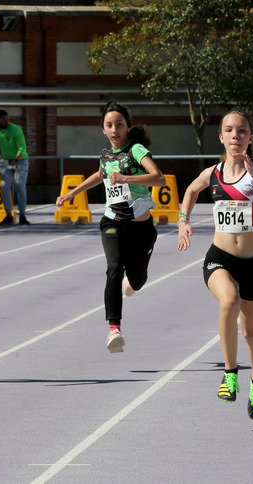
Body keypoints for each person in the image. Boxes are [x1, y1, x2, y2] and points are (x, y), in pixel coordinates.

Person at [177, 108, 253, 420]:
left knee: (252, 333)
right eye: (230, 131)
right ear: (221, 137)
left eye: (243, 131)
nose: (236, 136)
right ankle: (230, 372)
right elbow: (191, 190)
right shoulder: (214, 173)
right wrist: (183, 220)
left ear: (249, 137)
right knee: (229, 301)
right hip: (220, 258)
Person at [55, 101, 164, 353]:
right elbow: (99, 175)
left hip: (141, 227)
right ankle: (114, 329)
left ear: (127, 126)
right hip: (112, 221)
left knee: (137, 280)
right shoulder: (105, 156)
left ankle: (132, 284)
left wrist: (126, 177)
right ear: (103, 129)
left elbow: (158, 178)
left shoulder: (136, 150)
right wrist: (72, 193)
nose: (114, 129)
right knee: (114, 267)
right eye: (109, 125)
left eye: (119, 124)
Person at [0, 109, 29, 225]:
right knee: (4, 187)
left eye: (7, 119)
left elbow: (22, 148)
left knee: (20, 186)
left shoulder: (15, 130)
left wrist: (16, 159)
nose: (6, 122)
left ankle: (22, 215)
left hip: (20, 160)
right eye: (4, 120)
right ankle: (8, 215)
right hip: (5, 161)